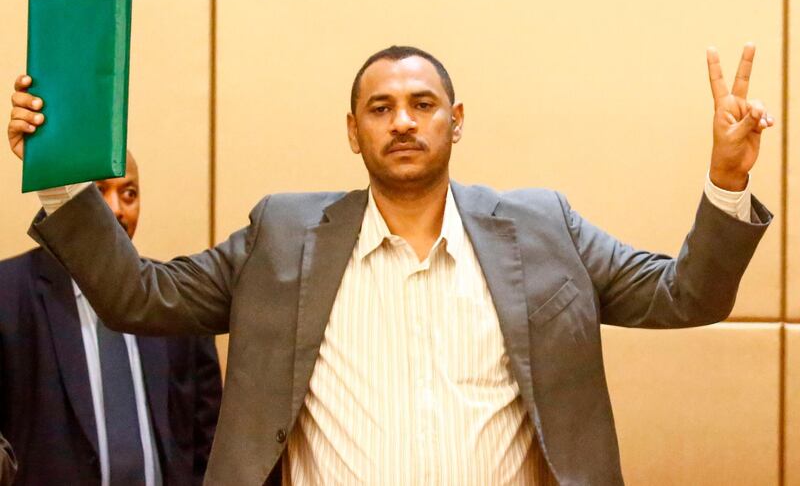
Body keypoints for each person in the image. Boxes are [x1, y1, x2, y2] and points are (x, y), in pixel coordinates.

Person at [7, 44, 773, 485]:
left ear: (456, 120)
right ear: (352, 131)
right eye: (380, 107)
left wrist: (728, 179)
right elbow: (139, 297)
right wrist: (63, 171)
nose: (402, 120)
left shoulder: (544, 227)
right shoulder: (283, 235)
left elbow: (685, 295)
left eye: (422, 103)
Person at [0, 151, 223, 485]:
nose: (117, 209)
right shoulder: (8, 295)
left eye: (129, 194)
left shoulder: (174, 297)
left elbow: (210, 440)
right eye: (98, 191)